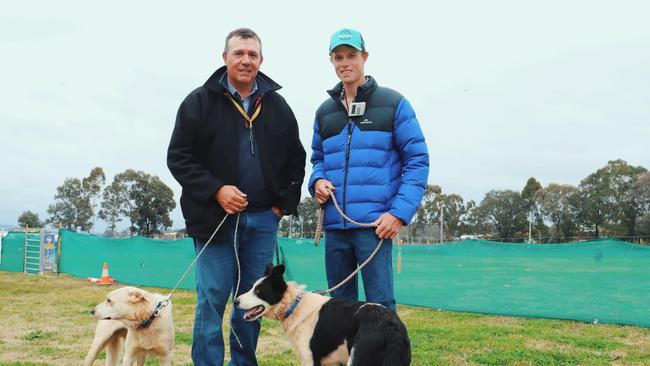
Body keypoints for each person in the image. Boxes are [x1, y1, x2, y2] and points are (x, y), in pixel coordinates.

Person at [167, 28, 305, 366]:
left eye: (252, 54)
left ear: (261, 60)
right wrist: (216, 189)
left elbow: (295, 159)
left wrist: (281, 205)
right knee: (212, 300)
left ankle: (244, 363)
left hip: (262, 221)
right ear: (225, 58)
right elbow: (179, 157)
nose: (246, 60)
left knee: (252, 303)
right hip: (214, 220)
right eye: (239, 53)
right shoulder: (199, 101)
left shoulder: (277, 105)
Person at [309, 28, 429, 311]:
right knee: (339, 309)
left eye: (351, 55)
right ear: (332, 61)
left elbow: (417, 161)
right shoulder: (324, 111)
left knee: (380, 308)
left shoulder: (393, 103)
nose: (345, 63)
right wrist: (317, 181)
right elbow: (318, 159)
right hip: (336, 228)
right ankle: (346, 358)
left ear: (364, 57)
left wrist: (398, 214)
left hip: (375, 227)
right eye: (338, 57)